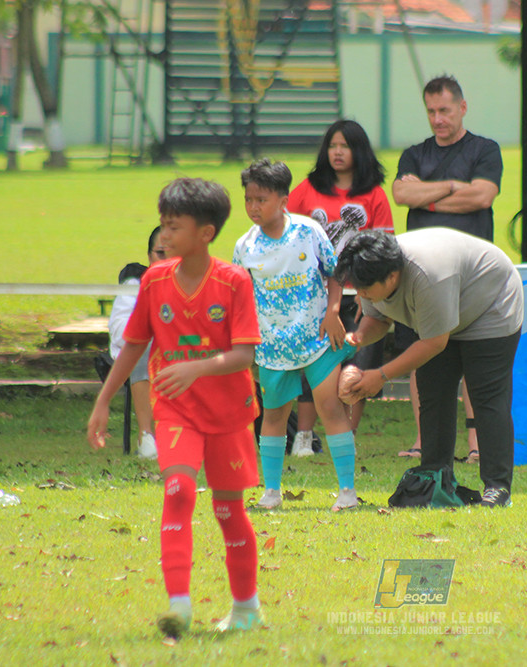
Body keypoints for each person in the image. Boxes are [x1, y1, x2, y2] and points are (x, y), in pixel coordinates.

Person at [87, 178, 264, 638]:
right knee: (179, 491)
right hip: (174, 409)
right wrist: (103, 401)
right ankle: (179, 607)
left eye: (173, 228)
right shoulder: (154, 280)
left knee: (229, 510)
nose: (163, 237)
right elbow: (133, 345)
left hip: (228, 412)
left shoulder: (234, 280)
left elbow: (245, 355)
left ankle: (246, 608)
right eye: (162, 227)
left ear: (205, 233)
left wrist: (197, 368)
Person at [335, 229, 524, 508]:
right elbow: (377, 320)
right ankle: (435, 477)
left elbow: (435, 342)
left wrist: (382, 375)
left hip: (490, 304)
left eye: (364, 289)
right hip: (442, 313)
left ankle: (497, 488)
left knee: (486, 396)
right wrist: (359, 337)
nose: (360, 295)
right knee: (432, 393)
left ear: (392, 277)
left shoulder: (427, 275)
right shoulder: (372, 271)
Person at [232, 158, 359, 511]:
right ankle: (271, 492)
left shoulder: (308, 231)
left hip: (317, 340)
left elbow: (335, 273)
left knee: (330, 407)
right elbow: (240, 297)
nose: (254, 207)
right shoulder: (245, 247)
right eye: (249, 199)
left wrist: (333, 312)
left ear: (283, 199)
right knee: (272, 417)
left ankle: (347, 492)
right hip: (271, 348)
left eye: (262, 199)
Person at [391, 74, 503, 461]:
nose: (438, 119)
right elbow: (402, 193)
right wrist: (453, 187)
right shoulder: (413, 154)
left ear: (463, 107)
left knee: (471, 357)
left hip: (472, 270)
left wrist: (428, 196)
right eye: (431, 111)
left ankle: (476, 447)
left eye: (445, 110)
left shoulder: (485, 150)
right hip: (420, 271)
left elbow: (483, 196)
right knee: (422, 356)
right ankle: (424, 443)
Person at [286, 119, 394, 454]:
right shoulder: (306, 191)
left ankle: (347, 436)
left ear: (358, 151)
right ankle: (304, 437)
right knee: (312, 363)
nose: (337, 152)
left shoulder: (374, 194)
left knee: (358, 362)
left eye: (345, 146)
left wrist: (368, 294)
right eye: (332, 145)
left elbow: (385, 248)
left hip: (361, 296)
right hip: (314, 298)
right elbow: (287, 237)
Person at [106, 226, 168, 458]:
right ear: (149, 256)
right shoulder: (135, 285)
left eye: (175, 251)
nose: (167, 259)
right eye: (160, 253)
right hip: (140, 355)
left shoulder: (196, 284)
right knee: (142, 343)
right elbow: (120, 331)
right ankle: (147, 437)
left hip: (184, 354)